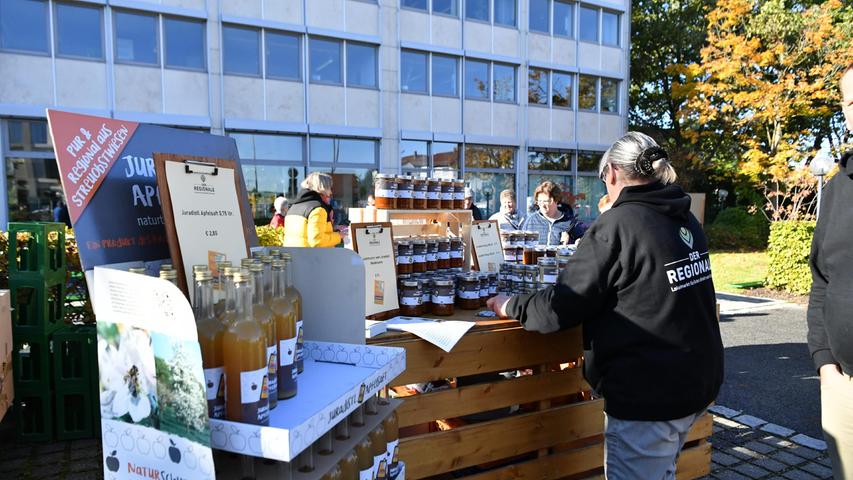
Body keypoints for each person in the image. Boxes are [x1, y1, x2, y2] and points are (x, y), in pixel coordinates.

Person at [487, 131, 723, 479]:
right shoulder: (684, 218)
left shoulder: (618, 223)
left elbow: (561, 306)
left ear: (612, 172)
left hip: (650, 393)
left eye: (603, 181)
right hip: (696, 380)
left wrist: (511, 305)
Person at [807, 64, 853, 479]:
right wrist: (823, 363)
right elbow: (821, 281)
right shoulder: (839, 188)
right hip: (843, 388)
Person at [283, 172, 343, 248]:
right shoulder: (318, 209)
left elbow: (303, 233)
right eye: (330, 188)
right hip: (312, 257)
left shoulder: (293, 207)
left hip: (294, 257)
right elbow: (317, 241)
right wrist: (339, 236)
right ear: (324, 188)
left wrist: (333, 228)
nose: (330, 192)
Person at [521, 181, 584, 245]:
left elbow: (583, 242)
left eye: (546, 201)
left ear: (556, 200)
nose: (542, 205)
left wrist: (571, 241)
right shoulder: (531, 220)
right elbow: (521, 243)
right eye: (539, 201)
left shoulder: (570, 222)